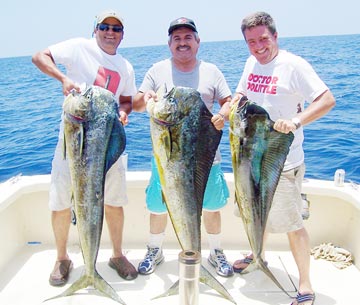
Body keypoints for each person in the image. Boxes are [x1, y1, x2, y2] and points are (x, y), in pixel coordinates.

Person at [231, 11, 336, 305]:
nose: (258, 46)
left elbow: (327, 99)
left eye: (263, 39)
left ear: (275, 36)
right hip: (250, 157)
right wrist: (226, 111)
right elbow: (241, 94)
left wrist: (296, 120)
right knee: (253, 213)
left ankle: (305, 285)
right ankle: (256, 254)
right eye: (251, 41)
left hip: (282, 162)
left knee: (291, 223)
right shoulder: (251, 62)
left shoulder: (293, 66)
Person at [32, 9, 138, 286]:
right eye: (105, 27)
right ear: (95, 29)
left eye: (116, 29)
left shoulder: (126, 66)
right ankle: (62, 258)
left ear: (122, 35)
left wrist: (125, 112)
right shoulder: (79, 47)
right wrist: (63, 79)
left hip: (108, 142)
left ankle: (116, 255)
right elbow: (39, 57)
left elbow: (126, 100)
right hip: (74, 140)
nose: (110, 32)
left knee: (114, 201)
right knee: (61, 200)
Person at [132, 17, 234, 277]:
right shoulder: (156, 71)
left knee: (210, 206)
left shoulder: (212, 71)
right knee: (158, 205)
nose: (182, 42)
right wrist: (147, 97)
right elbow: (137, 103)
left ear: (198, 42)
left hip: (205, 159)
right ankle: (154, 249)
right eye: (176, 38)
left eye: (188, 37)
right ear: (169, 44)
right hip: (166, 159)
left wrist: (223, 114)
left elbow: (228, 101)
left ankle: (215, 252)